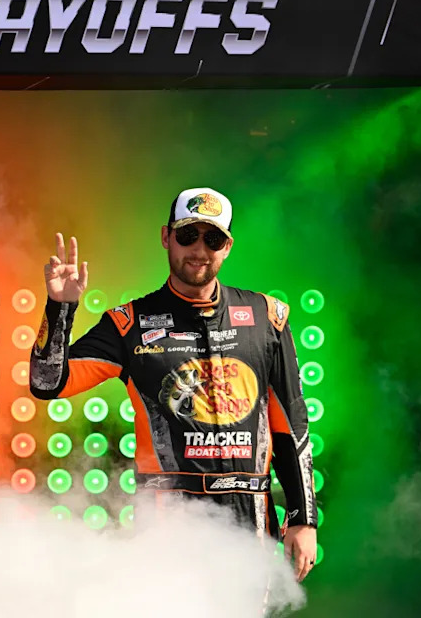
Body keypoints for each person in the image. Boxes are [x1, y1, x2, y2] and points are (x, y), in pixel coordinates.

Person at [29, 187, 318, 582]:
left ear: (227, 247)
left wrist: (303, 518)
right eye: (188, 235)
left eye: (212, 239)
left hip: (250, 522)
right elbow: (47, 383)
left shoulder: (267, 317)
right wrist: (60, 307)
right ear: (166, 237)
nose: (199, 249)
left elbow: (291, 425)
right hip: (168, 524)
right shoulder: (127, 324)